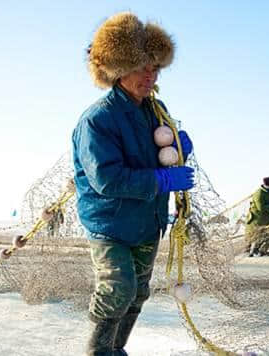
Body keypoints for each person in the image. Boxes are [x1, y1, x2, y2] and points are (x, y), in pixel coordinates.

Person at [72, 12, 195, 356]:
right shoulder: (98, 119)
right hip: (110, 223)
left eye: (154, 68)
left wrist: (177, 151)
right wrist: (161, 179)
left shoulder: (155, 111)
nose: (150, 75)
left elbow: (159, 152)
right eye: (142, 67)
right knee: (117, 289)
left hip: (147, 220)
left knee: (139, 291)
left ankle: (116, 349)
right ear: (118, 68)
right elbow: (106, 179)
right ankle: (98, 351)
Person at [245, 176, 269, 257]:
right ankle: (253, 252)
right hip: (256, 220)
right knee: (257, 237)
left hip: (267, 219)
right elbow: (261, 208)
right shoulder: (259, 193)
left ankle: (261, 251)